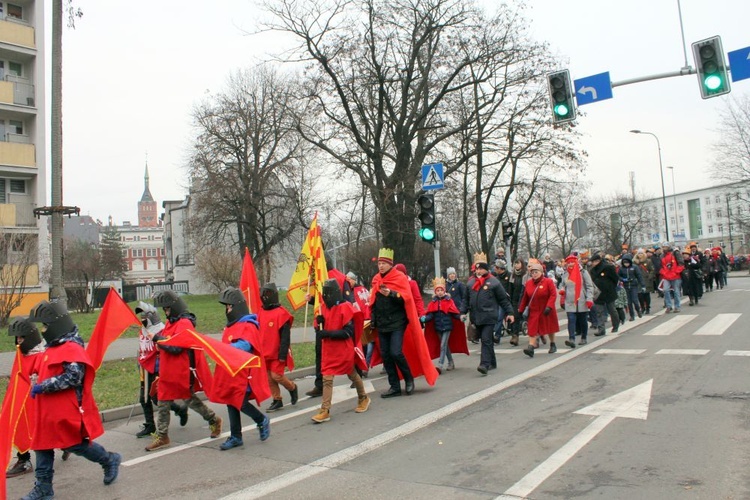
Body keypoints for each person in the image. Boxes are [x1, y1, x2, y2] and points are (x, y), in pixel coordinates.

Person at [22, 301, 121, 499]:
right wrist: (36, 381)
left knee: (74, 444)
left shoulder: (72, 348)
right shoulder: (52, 347)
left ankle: (109, 459)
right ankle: (43, 489)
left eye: (45, 326)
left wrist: (45, 385)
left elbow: (73, 377)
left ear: (57, 324)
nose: (43, 330)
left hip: (65, 410)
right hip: (46, 411)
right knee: (42, 445)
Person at [144, 291, 222, 452]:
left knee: (189, 400)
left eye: (166, 309)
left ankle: (214, 419)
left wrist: (158, 340)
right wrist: (157, 338)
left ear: (173, 307)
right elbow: (166, 339)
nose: (165, 312)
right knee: (163, 401)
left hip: (180, 370)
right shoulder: (171, 323)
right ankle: (162, 436)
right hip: (167, 370)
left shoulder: (184, 323)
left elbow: (176, 346)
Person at [369, 248, 438, 397]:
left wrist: (392, 294)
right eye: (379, 263)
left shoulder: (399, 278)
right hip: (382, 323)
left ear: (390, 264)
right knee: (386, 356)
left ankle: (408, 379)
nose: (380, 266)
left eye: (383, 263)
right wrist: (373, 319)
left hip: (397, 322)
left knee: (396, 352)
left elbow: (406, 298)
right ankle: (394, 386)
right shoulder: (376, 280)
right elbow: (373, 302)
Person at [213, 287, 271, 450]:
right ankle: (236, 436)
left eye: (229, 306)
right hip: (231, 372)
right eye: (226, 307)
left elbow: (246, 345)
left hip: (244, 373)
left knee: (241, 402)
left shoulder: (248, 324)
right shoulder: (231, 326)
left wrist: (229, 348)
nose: (227, 309)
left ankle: (261, 420)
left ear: (236, 306)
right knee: (231, 401)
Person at [311, 279, 370, 423]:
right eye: (325, 293)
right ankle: (325, 410)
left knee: (352, 374)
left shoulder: (346, 307)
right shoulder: (323, 308)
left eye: (329, 292)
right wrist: (319, 323)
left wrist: (327, 334)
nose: (326, 295)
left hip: (343, 349)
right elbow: (319, 328)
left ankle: (363, 397)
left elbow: (347, 333)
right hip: (329, 351)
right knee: (327, 379)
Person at [134, 301, 188, 438]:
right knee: (148, 398)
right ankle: (152, 424)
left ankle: (176, 411)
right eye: (141, 316)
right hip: (145, 368)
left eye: (145, 316)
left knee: (152, 398)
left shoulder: (161, 330)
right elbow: (142, 348)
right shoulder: (143, 330)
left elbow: (166, 347)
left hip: (156, 368)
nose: (142, 319)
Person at [306, 259, 353, 398]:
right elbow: (323, 300)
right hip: (323, 321)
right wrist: (312, 301)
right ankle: (320, 385)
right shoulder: (319, 277)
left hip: (338, 321)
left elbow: (345, 301)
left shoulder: (339, 277)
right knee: (321, 354)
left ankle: (356, 378)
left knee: (343, 354)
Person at [5, 317, 44, 479]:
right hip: (22, 401)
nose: (19, 341)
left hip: (38, 399)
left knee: (47, 430)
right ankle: (24, 460)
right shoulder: (22, 354)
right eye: (17, 338)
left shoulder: (40, 355)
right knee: (19, 426)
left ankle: (68, 445)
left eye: (22, 338)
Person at [467, 252, 514, 374]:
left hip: (489, 316)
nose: (479, 271)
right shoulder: (471, 283)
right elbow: (466, 300)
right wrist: (462, 312)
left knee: (486, 339)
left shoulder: (494, 282)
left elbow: (503, 299)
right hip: (476, 317)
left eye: (481, 268)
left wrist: (510, 312)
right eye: (477, 268)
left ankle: (484, 364)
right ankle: (492, 361)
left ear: (486, 269)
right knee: (484, 340)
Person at [257, 282, 298, 412]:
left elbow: (285, 337)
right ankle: (277, 399)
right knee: (269, 378)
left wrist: (282, 354)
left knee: (276, 376)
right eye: (263, 294)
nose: (265, 297)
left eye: (267, 294)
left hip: (277, 351)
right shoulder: (260, 312)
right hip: (265, 351)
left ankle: (292, 387)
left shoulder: (282, 314)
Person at [422, 277, 468, 373]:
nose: (439, 292)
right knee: (445, 346)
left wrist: (460, 317)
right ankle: (451, 362)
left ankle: (440, 365)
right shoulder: (432, 303)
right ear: (435, 292)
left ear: (444, 291)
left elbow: (454, 313)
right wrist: (424, 319)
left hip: (447, 327)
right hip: (438, 328)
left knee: (443, 345)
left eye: (441, 290)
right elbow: (430, 315)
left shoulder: (449, 301)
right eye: (437, 290)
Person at [519, 260, 559, 357]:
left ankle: (552, 344)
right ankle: (531, 347)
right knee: (532, 328)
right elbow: (525, 297)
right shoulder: (528, 283)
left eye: (536, 272)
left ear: (541, 272)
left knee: (549, 328)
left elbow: (553, 295)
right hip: (534, 309)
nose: (534, 274)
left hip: (546, 309)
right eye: (532, 273)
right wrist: (521, 309)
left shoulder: (548, 282)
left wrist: (549, 306)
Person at [559, 255, 594, 348]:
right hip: (570, 301)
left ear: (576, 262)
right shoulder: (566, 274)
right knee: (571, 319)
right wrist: (562, 289)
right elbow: (562, 284)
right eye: (568, 262)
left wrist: (589, 299)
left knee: (583, 320)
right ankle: (572, 339)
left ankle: (583, 337)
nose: (570, 264)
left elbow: (589, 286)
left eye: (572, 262)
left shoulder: (583, 272)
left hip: (582, 300)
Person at [589, 253, 621, 335]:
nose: (592, 263)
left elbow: (615, 278)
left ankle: (615, 325)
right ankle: (601, 329)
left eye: (593, 261)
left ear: (598, 261)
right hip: (598, 293)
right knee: (599, 312)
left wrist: (610, 287)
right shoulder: (592, 270)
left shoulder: (608, 267)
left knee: (612, 310)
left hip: (608, 292)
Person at [506, 258, 528, 347]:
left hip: (524, 299)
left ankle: (538, 335)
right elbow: (510, 288)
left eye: (518, 263)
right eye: (515, 264)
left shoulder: (526, 275)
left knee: (529, 317)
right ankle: (515, 336)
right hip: (514, 300)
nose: (516, 265)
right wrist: (510, 299)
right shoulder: (513, 275)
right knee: (515, 318)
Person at [617, 253, 645, 321]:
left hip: (634, 286)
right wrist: (623, 279)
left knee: (635, 300)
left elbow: (639, 276)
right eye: (624, 263)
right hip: (626, 286)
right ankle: (632, 315)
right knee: (629, 302)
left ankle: (638, 310)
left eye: (627, 262)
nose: (626, 264)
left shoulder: (634, 267)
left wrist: (643, 285)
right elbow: (618, 276)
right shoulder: (621, 269)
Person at [659, 243, 684, 314]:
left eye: (665, 247)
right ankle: (668, 306)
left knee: (676, 291)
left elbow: (681, 263)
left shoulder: (675, 253)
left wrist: (676, 272)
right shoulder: (662, 256)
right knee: (666, 290)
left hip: (675, 276)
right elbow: (661, 266)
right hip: (666, 276)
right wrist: (663, 272)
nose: (664, 248)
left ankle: (677, 306)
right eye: (663, 247)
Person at [491, 259, 510, 344]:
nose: (495, 269)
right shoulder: (496, 278)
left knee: (502, 317)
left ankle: (512, 332)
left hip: (507, 300)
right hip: (498, 301)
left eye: (496, 268)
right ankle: (497, 336)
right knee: (498, 317)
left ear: (500, 268)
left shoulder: (509, 275)